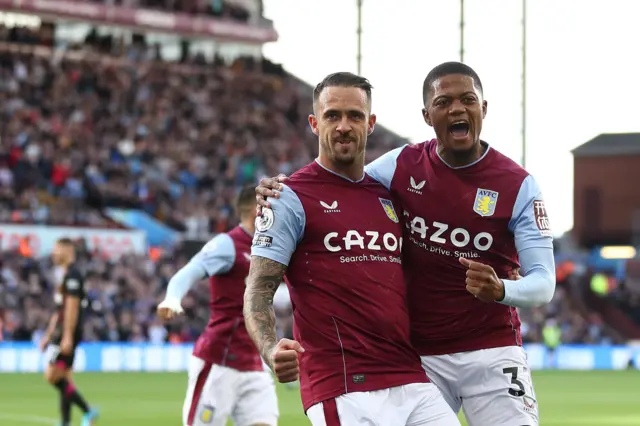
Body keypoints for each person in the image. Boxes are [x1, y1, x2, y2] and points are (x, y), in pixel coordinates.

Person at [255, 62, 555, 426]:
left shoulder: (519, 185)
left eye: (467, 100)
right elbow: (338, 179)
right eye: (444, 102)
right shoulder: (400, 166)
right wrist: (278, 190)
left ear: (484, 108)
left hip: (490, 348)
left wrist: (501, 288)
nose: (457, 109)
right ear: (428, 115)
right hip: (420, 356)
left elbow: (544, 281)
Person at [244, 72, 460, 425]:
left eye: (355, 116)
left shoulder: (388, 195)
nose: (344, 126)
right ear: (314, 123)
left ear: (371, 123)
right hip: (342, 385)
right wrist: (270, 348)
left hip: (409, 377)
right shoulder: (288, 198)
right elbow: (258, 288)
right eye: (333, 115)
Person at [157, 184, 279, 426]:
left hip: (255, 363)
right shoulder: (228, 244)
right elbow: (189, 272)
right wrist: (172, 298)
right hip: (220, 361)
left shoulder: (273, 248)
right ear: (259, 212)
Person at [40, 238, 99, 426]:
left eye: (57, 250)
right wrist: (48, 334)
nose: (53, 253)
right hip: (61, 332)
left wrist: (66, 336)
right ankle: (65, 421)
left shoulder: (74, 274)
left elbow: (71, 309)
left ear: (67, 250)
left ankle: (88, 411)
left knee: (52, 376)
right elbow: (59, 309)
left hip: (68, 333)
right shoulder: (65, 275)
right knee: (64, 376)